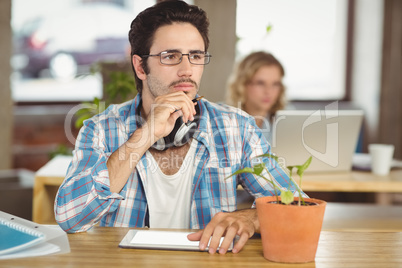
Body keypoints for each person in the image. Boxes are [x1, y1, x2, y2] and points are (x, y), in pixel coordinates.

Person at [55, 1, 302, 255]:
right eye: (170, 56)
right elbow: (71, 217)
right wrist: (144, 135)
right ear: (140, 67)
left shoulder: (236, 128)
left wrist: (250, 219)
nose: (187, 71)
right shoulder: (101, 129)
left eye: (195, 56)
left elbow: (296, 206)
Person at [227, 51, 286, 143]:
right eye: (260, 83)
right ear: (242, 84)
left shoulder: (286, 121)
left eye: (275, 84)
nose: (268, 91)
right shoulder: (218, 116)